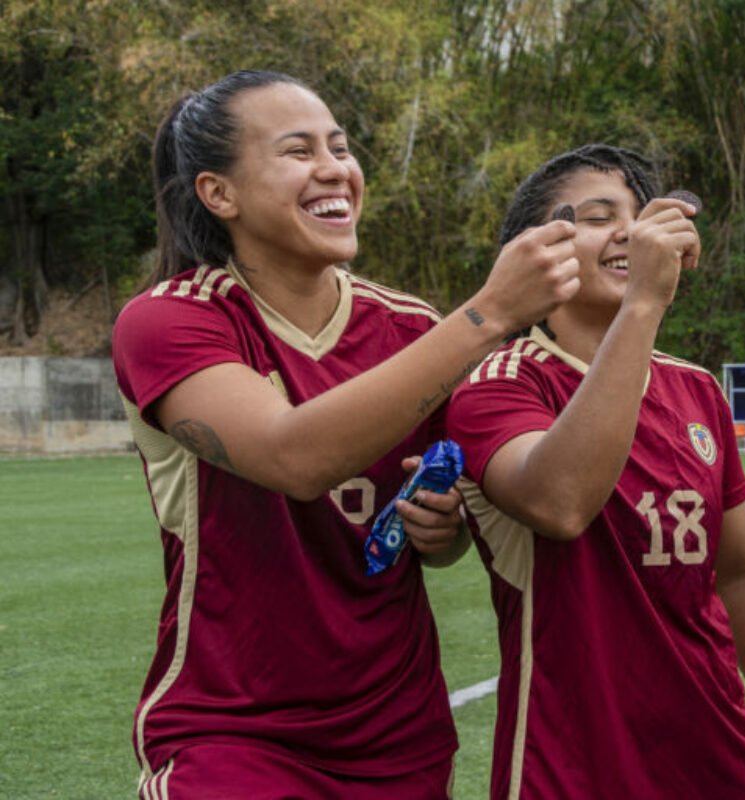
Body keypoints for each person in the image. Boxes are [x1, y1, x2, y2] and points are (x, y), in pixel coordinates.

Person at [113, 70, 580, 798]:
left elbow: (442, 530)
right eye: (298, 151)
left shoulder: (411, 329)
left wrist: (439, 525)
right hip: (236, 734)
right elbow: (294, 457)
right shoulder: (171, 321)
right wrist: (490, 312)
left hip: (399, 734)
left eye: (340, 146)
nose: (335, 168)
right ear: (219, 193)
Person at [445, 144, 745, 800]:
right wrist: (643, 305)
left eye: (637, 213)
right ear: (539, 250)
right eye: (597, 216)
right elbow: (560, 503)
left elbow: (741, 572)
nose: (628, 231)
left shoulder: (696, 389)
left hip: (720, 754)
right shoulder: (502, 383)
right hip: (573, 764)